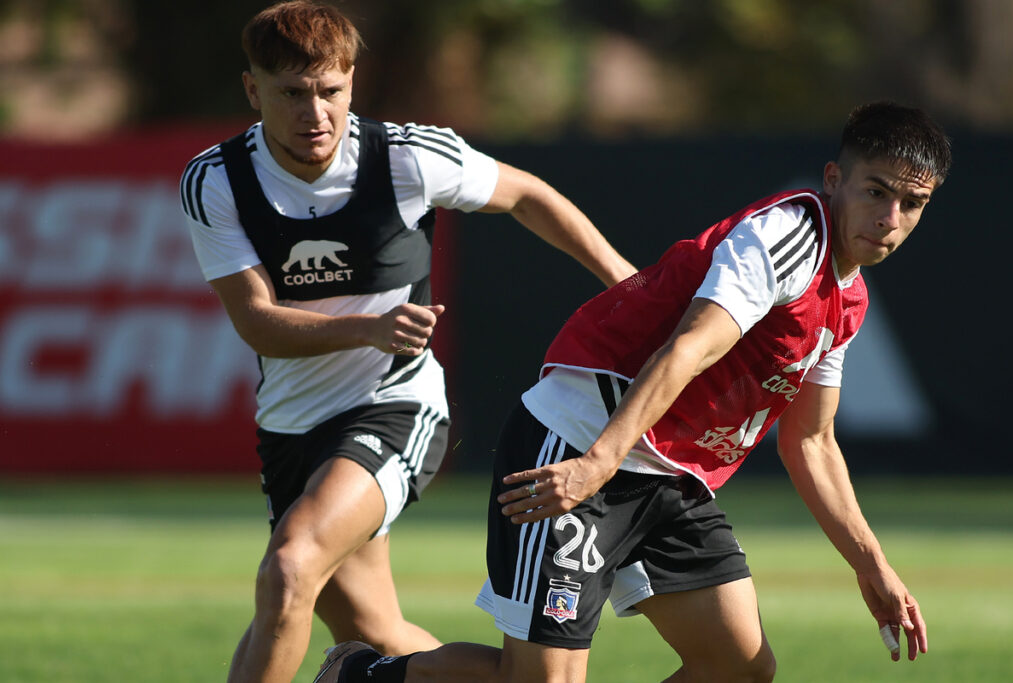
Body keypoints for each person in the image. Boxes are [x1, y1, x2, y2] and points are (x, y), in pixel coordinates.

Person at [321, 101, 951, 682]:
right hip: (578, 440)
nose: (890, 218)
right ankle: (365, 676)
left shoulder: (850, 298)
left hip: (669, 477)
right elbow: (686, 350)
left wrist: (873, 566)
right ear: (835, 180)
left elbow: (811, 441)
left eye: (913, 203)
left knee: (738, 666)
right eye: (876, 191)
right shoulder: (786, 238)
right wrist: (594, 467)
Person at [178, 2, 636, 682]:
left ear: (351, 83)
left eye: (330, 90)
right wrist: (366, 326)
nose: (315, 113)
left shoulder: (406, 157)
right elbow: (255, 319)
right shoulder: (217, 180)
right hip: (290, 430)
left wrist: (627, 284)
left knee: (290, 563)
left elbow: (526, 194)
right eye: (292, 94)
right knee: (378, 635)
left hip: (396, 406)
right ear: (253, 91)